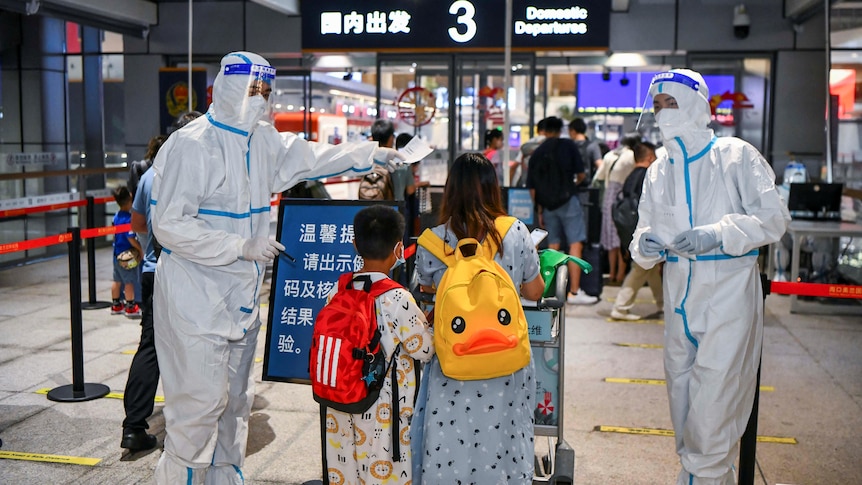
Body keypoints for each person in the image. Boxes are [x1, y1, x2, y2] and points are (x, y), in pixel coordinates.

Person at [149, 51, 403, 484]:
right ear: (226, 88)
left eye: (265, 92)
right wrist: (239, 245)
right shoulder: (192, 145)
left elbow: (314, 156)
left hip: (240, 300)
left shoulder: (261, 141)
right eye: (252, 90)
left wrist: (372, 154)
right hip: (195, 299)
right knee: (198, 407)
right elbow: (169, 224)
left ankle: (226, 477)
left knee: (235, 405)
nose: (260, 100)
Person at [631, 69, 790, 485]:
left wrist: (716, 234)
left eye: (673, 103)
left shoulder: (736, 156)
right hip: (678, 298)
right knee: (683, 403)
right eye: (659, 105)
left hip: (728, 298)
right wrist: (645, 245)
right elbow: (643, 227)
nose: (665, 113)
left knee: (716, 403)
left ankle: (705, 477)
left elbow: (773, 220)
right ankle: (698, 475)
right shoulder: (659, 169)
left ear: (698, 105)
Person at [413, 152, 545, 484]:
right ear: (493, 188)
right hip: (506, 360)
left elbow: (424, 293)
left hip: (454, 362)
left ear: (451, 189)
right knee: (505, 437)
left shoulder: (433, 240)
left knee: (450, 439)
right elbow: (534, 292)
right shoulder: (515, 231)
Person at [323, 205, 434, 485]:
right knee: (383, 474)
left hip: (339, 401)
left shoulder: (337, 290)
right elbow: (425, 350)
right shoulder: (397, 299)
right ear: (399, 248)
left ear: (354, 245)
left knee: (344, 471)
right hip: (385, 407)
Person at [121, 113, 202, 453]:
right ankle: (193, 423)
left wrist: (154, 244)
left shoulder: (151, 175)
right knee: (197, 347)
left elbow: (137, 221)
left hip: (154, 272)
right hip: (194, 275)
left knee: (151, 346)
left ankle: (133, 427)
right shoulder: (204, 175)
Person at [527, 116, 598, 305]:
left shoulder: (537, 153)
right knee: (575, 244)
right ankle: (573, 292)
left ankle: (549, 289)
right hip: (568, 202)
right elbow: (581, 174)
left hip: (547, 206)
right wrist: (573, 185)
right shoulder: (568, 146)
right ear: (560, 129)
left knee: (553, 246)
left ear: (543, 131)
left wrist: (540, 209)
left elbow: (532, 189)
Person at [609, 141, 663, 321]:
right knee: (640, 269)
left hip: (631, 229)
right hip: (645, 231)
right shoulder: (648, 175)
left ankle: (664, 305)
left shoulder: (631, 176)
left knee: (651, 269)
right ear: (649, 157)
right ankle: (620, 307)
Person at [592, 133, 640, 284]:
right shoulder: (633, 155)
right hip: (623, 199)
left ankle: (611, 273)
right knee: (622, 236)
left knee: (610, 238)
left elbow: (599, 177)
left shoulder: (610, 155)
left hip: (608, 199)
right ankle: (621, 274)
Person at [110, 185, 142, 319]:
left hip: (116, 254)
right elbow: (130, 238)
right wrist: (140, 249)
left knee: (117, 280)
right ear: (129, 202)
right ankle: (130, 306)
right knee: (129, 282)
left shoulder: (116, 217)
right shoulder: (129, 219)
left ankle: (116, 304)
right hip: (127, 256)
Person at [513, 117, 548, 187]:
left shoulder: (528, 144)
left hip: (528, 184)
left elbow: (515, 165)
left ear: (537, 130)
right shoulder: (555, 144)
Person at [568, 117, 603, 184]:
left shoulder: (568, 146)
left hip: (570, 187)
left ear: (573, 131)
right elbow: (600, 166)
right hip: (587, 187)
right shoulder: (593, 146)